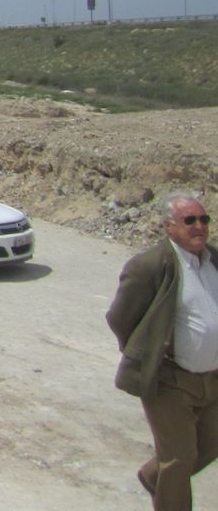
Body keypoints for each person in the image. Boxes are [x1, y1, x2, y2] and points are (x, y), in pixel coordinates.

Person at [107, 193, 218, 508]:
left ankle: (154, 476)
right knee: (179, 458)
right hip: (170, 380)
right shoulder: (149, 266)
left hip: (212, 379)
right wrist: (149, 352)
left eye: (204, 219)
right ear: (169, 226)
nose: (199, 226)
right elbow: (120, 318)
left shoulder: (214, 260)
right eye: (189, 220)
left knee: (208, 447)